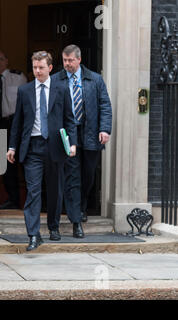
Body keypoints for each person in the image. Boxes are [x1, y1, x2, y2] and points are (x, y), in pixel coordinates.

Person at [7, 51, 77, 251]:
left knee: (55, 189)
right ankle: (33, 234)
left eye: (41, 67)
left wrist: (72, 143)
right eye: (35, 67)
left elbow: (70, 119)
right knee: (33, 190)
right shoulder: (25, 90)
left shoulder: (62, 89)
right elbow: (18, 122)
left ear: (50, 68)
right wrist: (12, 146)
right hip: (32, 147)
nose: (37, 71)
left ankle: (54, 226)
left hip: (55, 145)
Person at [52, 44, 112, 231]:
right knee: (73, 176)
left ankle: (82, 204)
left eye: (70, 60)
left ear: (79, 59)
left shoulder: (95, 79)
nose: (67, 64)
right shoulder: (56, 80)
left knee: (89, 174)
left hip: (91, 132)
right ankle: (76, 219)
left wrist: (105, 129)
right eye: (64, 60)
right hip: (68, 134)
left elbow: (105, 105)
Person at [0, 50, 27, 210]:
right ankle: (11, 198)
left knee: (18, 161)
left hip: (14, 123)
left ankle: (21, 200)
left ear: (7, 61)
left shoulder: (18, 77)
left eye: (1, 59)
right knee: (4, 162)